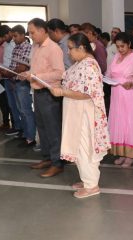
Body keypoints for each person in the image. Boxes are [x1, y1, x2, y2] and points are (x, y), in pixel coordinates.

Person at [49, 33, 110, 198]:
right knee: (77, 146)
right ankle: (86, 179)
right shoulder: (80, 63)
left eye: (70, 49)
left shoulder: (89, 65)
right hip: (76, 111)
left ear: (82, 48)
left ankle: (92, 186)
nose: (68, 52)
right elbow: (69, 80)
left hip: (85, 113)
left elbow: (86, 93)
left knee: (84, 147)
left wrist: (62, 91)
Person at [21, 18, 65, 178]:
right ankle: (47, 158)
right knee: (43, 128)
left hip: (49, 94)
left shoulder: (53, 48)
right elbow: (35, 69)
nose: (30, 35)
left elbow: (59, 73)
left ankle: (57, 163)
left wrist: (35, 76)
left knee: (53, 129)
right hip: (38, 93)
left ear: (42, 30)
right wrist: (28, 74)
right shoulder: (35, 46)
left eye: (32, 32)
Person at [107, 32, 133, 168]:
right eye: (117, 47)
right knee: (119, 122)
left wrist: (132, 83)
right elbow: (109, 73)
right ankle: (122, 153)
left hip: (131, 94)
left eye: (122, 46)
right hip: (117, 94)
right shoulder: (116, 57)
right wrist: (107, 79)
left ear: (129, 44)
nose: (120, 49)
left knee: (131, 122)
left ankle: (130, 155)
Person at [9, 25, 36, 147]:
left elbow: (24, 67)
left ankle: (31, 137)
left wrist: (15, 70)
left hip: (24, 83)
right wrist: (9, 72)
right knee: (20, 110)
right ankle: (26, 133)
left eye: (15, 36)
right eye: (12, 36)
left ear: (22, 35)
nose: (13, 38)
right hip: (15, 81)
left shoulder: (28, 48)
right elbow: (13, 66)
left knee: (26, 110)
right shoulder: (15, 48)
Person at [0, 25, 21, 137]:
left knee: (19, 105)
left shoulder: (15, 45)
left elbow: (17, 64)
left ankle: (21, 127)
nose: (3, 39)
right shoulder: (5, 45)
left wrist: (10, 73)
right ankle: (16, 126)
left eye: (4, 36)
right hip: (6, 77)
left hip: (13, 77)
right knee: (11, 104)